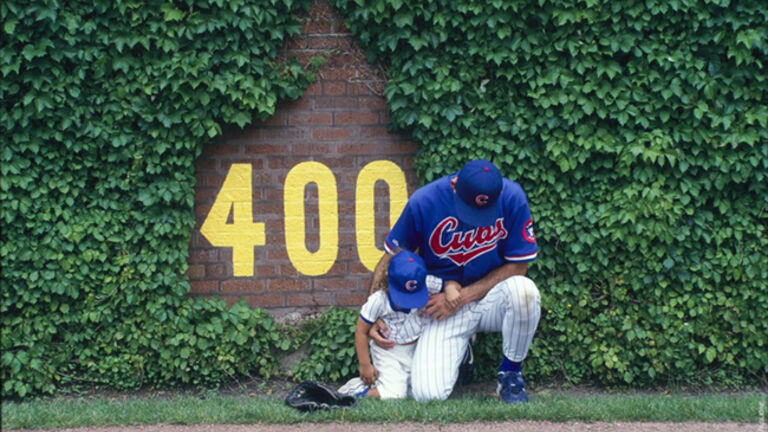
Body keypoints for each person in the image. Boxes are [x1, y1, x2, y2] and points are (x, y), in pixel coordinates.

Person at [368, 159, 541, 403]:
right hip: (442, 307)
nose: (476, 217)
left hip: (488, 298)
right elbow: (391, 258)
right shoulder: (425, 200)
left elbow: (518, 266)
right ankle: (462, 353)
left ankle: (511, 374)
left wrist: (462, 298)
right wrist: (376, 309)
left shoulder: (512, 197)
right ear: (454, 184)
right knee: (428, 395)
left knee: (525, 293)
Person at [338, 250, 460, 399]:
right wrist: (365, 365)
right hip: (389, 351)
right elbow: (361, 331)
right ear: (389, 281)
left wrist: (450, 288)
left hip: (417, 348)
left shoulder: (426, 282)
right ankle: (353, 391)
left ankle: (380, 385)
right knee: (394, 395)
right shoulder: (379, 299)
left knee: (416, 392)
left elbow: (450, 283)